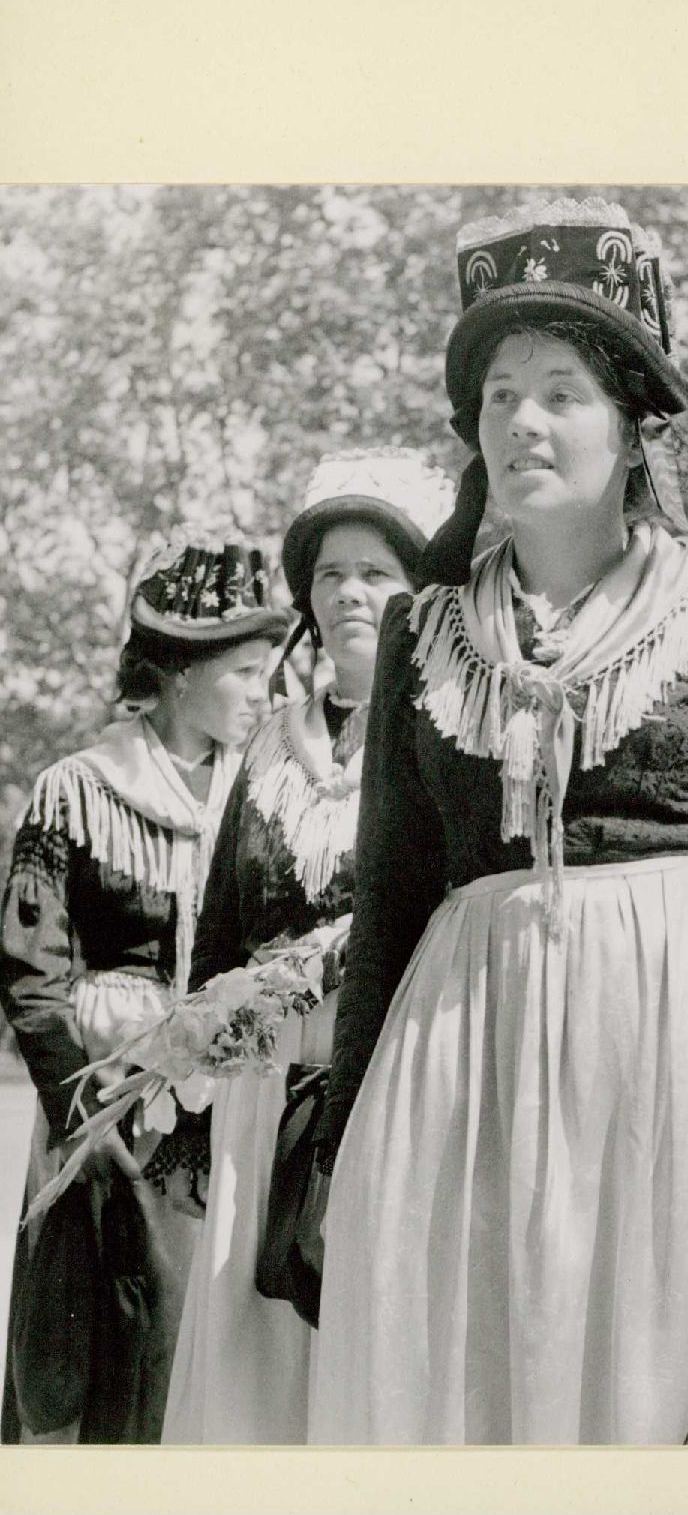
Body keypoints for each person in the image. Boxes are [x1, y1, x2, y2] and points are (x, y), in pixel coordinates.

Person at [305, 196, 688, 1445]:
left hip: (674, 1063)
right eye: (499, 394)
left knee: (640, 1401)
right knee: (459, 1397)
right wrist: (338, 1144)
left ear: (630, 425)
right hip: (454, 1068)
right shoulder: (422, 632)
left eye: (560, 391)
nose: (522, 420)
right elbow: (389, 894)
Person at [160, 448, 454, 1444]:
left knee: (364, 1342)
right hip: (258, 1086)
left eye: (375, 571)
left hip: (387, 1075)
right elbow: (218, 927)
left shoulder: (442, 732)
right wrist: (192, 1106)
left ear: (418, 589)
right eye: (330, 573)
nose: (348, 593)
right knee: (255, 1354)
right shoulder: (266, 744)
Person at [0, 533, 289, 1444]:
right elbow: (30, 969)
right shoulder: (77, 790)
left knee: (213, 1342)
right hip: (103, 1101)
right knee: (103, 1343)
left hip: (229, 1100)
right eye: (245, 672)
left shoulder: (270, 791)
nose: (264, 692)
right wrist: (79, 1115)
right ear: (180, 673)